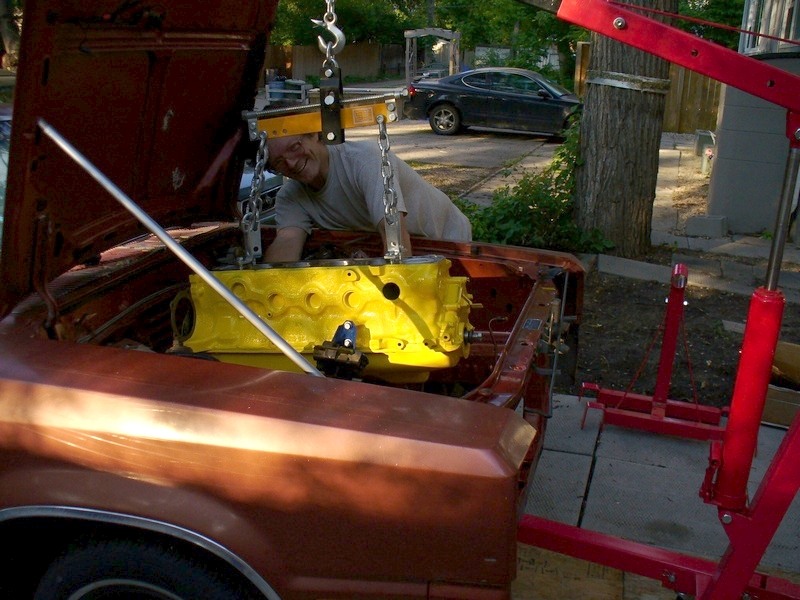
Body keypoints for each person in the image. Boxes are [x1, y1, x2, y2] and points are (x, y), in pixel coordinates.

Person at [262, 132, 472, 262]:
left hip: (446, 240)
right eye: (279, 161)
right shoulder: (290, 197)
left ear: (315, 134)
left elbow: (394, 237)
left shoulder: (364, 159)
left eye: (294, 147)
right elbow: (286, 247)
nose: (291, 163)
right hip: (379, 248)